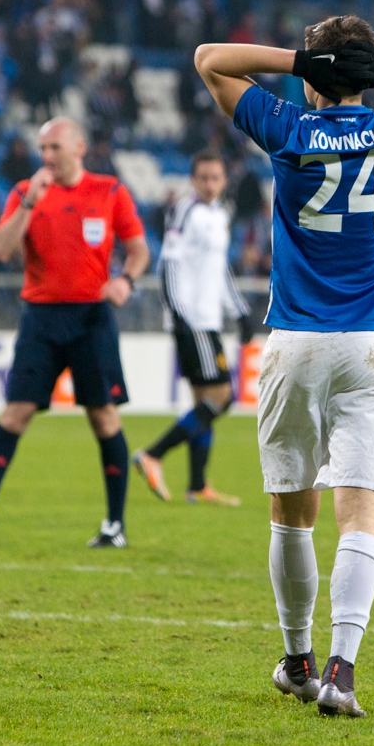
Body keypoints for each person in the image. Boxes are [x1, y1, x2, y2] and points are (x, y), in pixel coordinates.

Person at [194, 15, 374, 718]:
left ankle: (295, 659)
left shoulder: (289, 129)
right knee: (362, 511)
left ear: (310, 74)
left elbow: (211, 59)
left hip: (296, 340)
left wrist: (300, 61)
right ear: (370, 70)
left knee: (292, 511)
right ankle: (341, 670)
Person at [0, 117, 151, 551]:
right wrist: (28, 203)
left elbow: (138, 249)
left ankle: (114, 526)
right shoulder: (24, 193)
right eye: (42, 149)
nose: (46, 157)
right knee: (15, 415)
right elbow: (0, 249)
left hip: (91, 319)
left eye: (54, 148)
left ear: (78, 147)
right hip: (41, 319)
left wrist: (126, 280)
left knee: (103, 417)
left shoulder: (109, 191)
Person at [132, 151, 253, 507]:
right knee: (222, 397)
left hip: (209, 320)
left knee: (204, 402)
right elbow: (167, 264)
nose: (210, 185)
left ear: (224, 180)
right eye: (203, 178)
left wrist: (240, 311)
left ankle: (198, 485)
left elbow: (220, 270)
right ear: (193, 180)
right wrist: (178, 313)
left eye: (216, 178)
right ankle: (153, 454)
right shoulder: (187, 212)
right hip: (194, 321)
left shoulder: (219, 216)